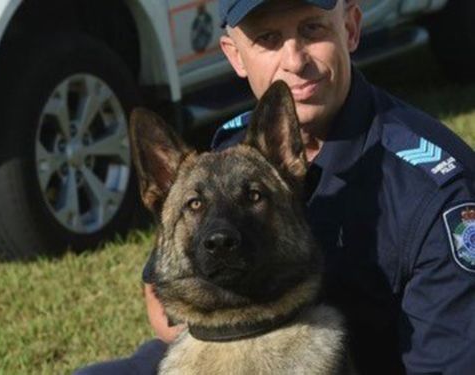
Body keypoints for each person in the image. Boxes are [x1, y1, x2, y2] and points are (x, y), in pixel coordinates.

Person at [75, 0, 475, 374]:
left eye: (312, 29)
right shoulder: (232, 148)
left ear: (351, 28)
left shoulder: (434, 190)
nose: (295, 61)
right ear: (235, 55)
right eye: (268, 39)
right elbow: (161, 299)